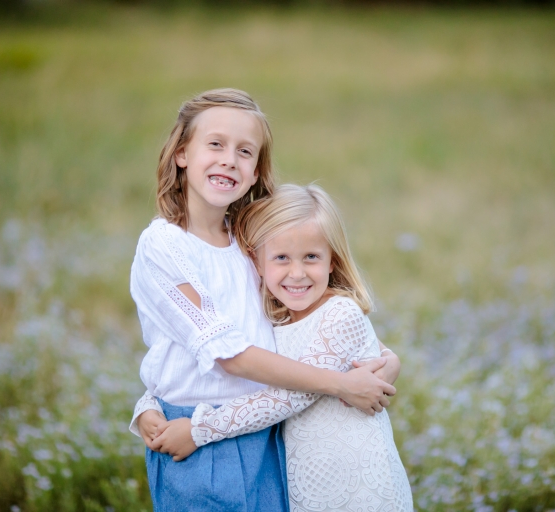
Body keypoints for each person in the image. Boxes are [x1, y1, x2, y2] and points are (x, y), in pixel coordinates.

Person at [127, 89, 399, 512]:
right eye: (215, 144)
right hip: (196, 434)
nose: (228, 160)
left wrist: (384, 358)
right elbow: (225, 354)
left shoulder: (251, 242)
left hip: (268, 429)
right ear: (181, 154)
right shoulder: (164, 246)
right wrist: (341, 383)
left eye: (244, 151)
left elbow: (307, 318)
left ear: (255, 172)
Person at [154, 184, 414, 512]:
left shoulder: (340, 313)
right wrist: (149, 402)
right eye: (281, 258)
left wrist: (200, 430)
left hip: (361, 485)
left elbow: (288, 397)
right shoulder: (274, 318)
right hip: (310, 481)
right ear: (257, 261)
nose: (297, 273)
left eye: (311, 257)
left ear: (332, 261)